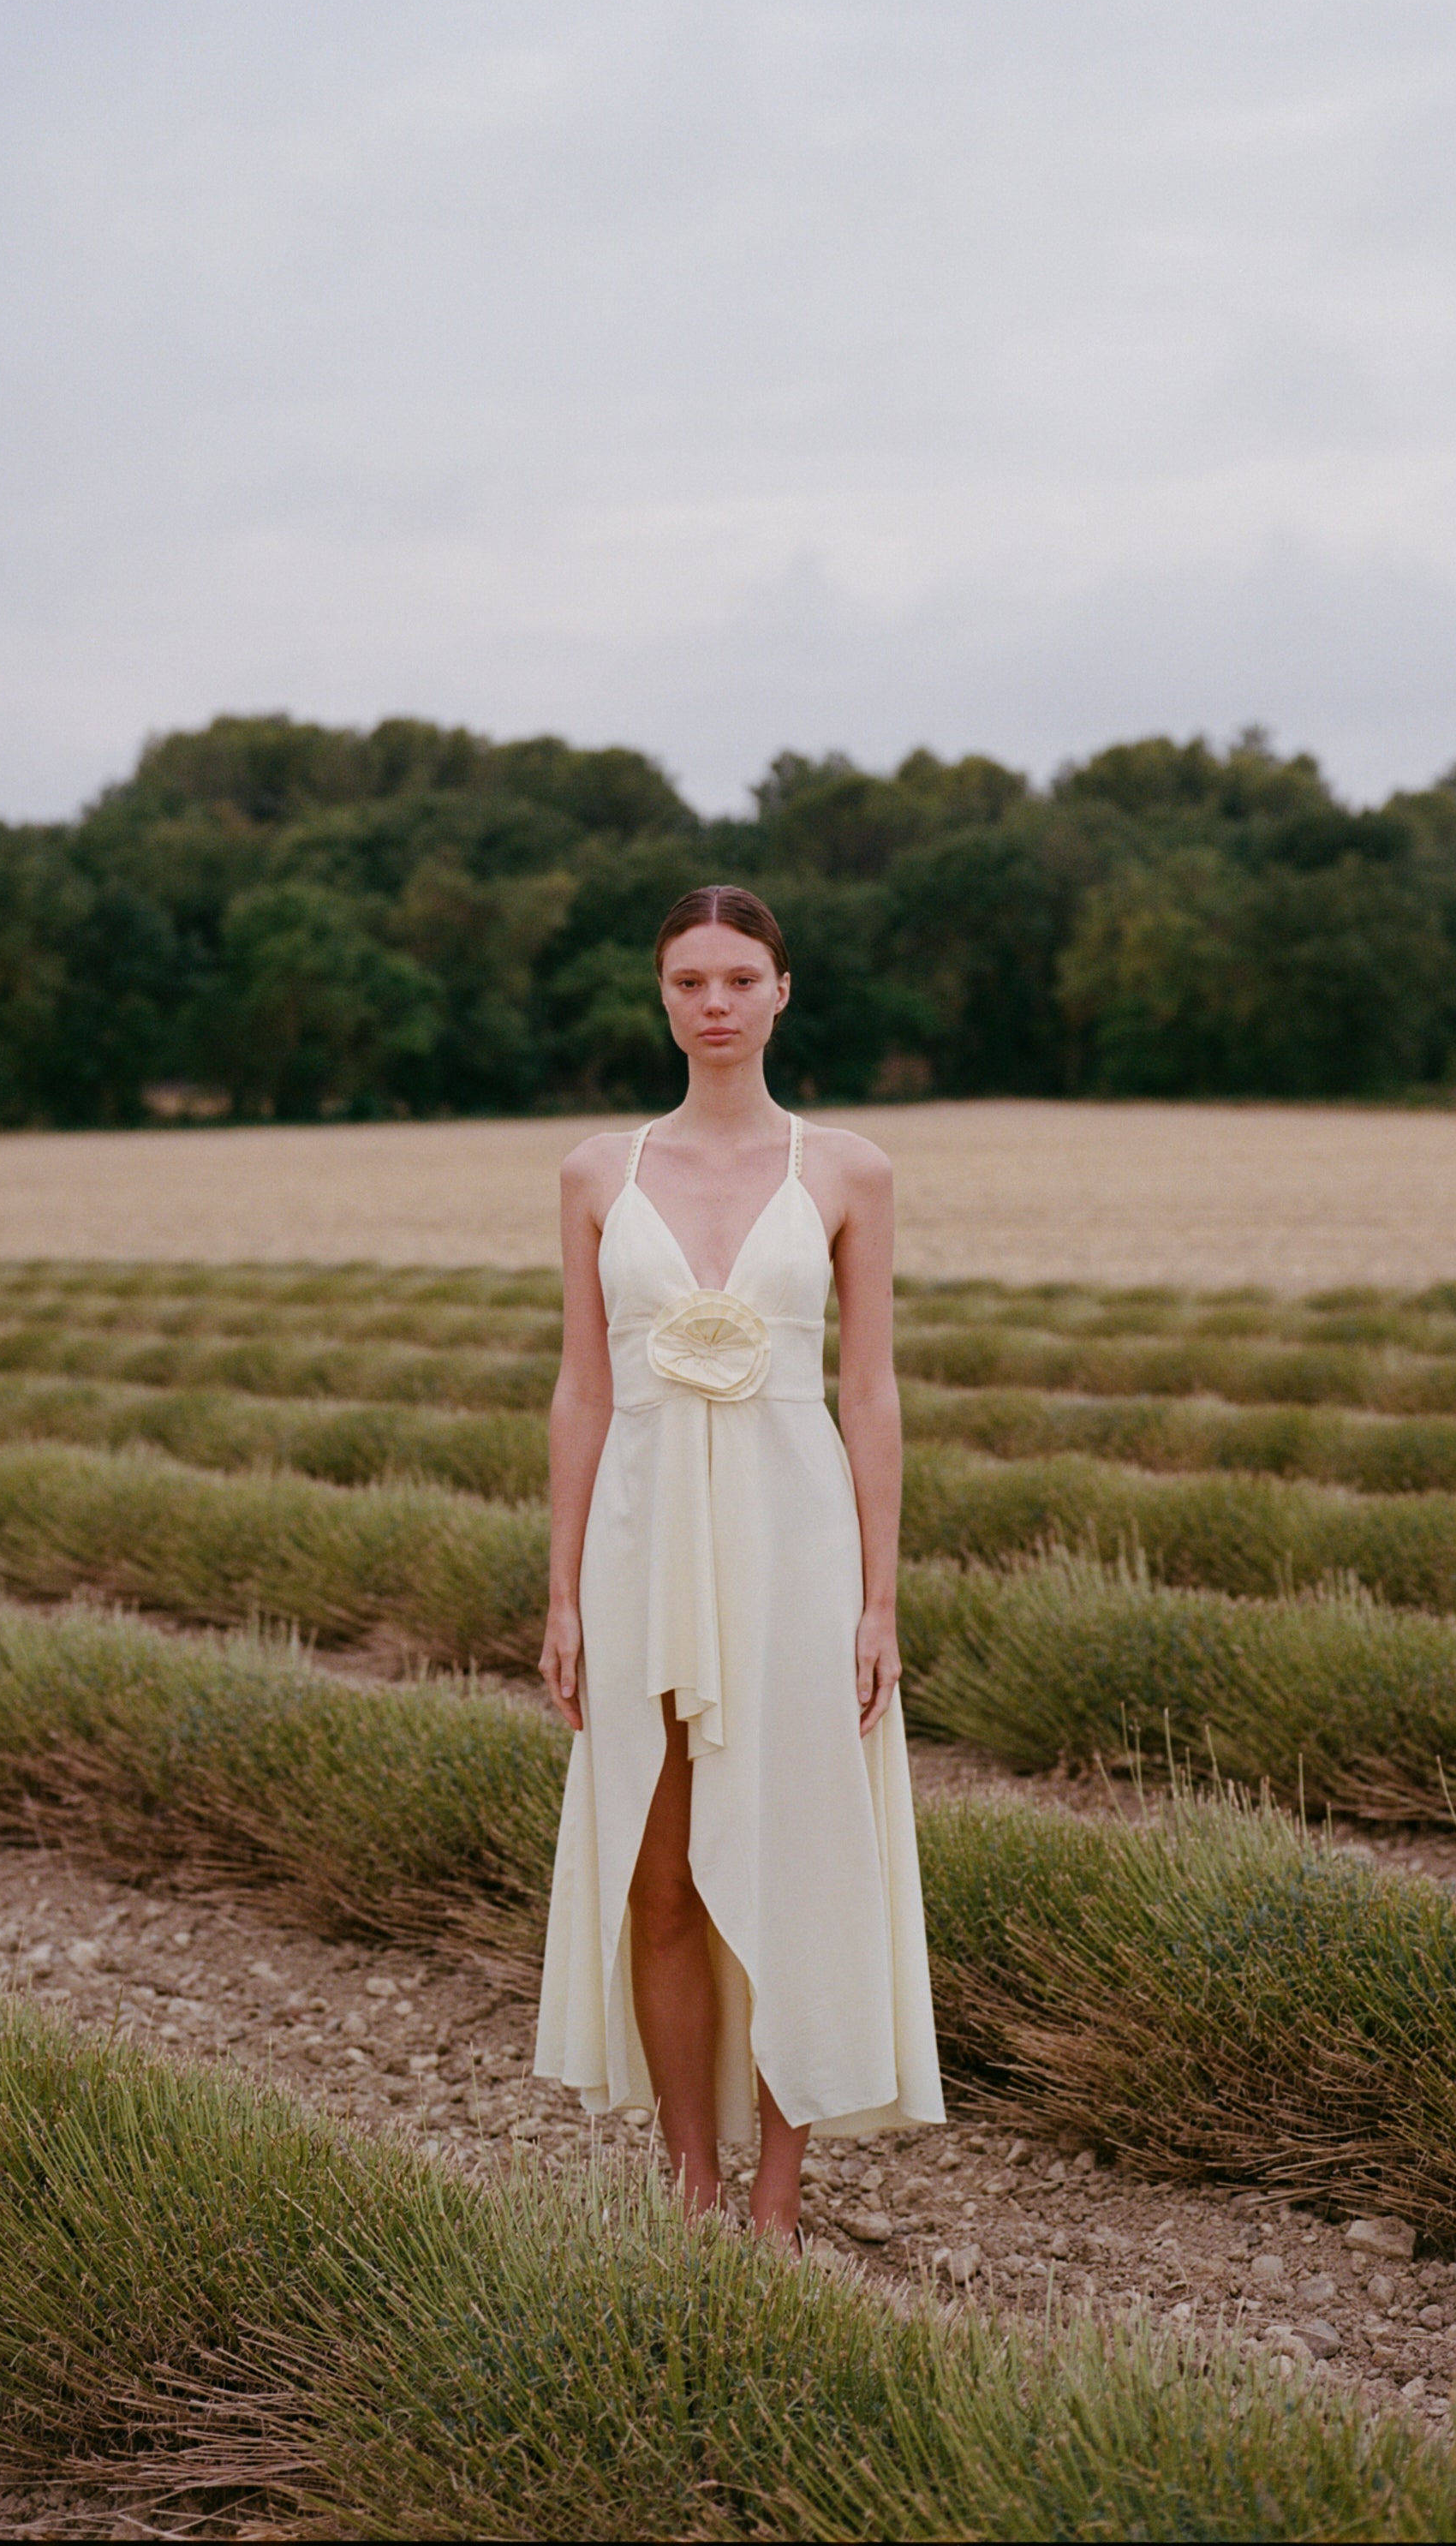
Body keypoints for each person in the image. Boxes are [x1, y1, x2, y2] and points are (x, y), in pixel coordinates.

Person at [533, 883, 944, 2247]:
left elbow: (871, 1392)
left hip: (794, 1542)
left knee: (790, 1858)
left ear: (782, 992)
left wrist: (881, 1598)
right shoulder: (601, 1173)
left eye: (739, 978)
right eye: (689, 980)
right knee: (658, 1877)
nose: (714, 1002)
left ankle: (777, 2203)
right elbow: (583, 1393)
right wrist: (564, 1593)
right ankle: (692, 2192)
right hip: (644, 1541)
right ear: (663, 998)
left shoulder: (848, 1171)